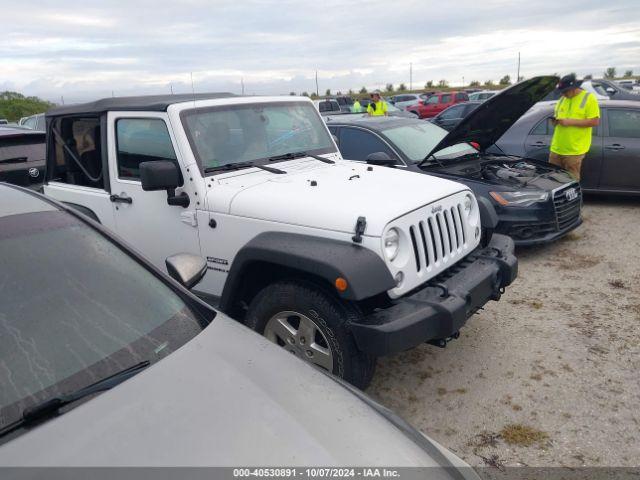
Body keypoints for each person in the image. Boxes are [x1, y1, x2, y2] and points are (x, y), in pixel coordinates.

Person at [549, 74, 600, 181]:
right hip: (556, 148)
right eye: (562, 92)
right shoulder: (562, 100)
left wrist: (570, 122)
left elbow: (595, 121)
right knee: (553, 180)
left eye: (565, 91)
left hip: (574, 151)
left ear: (574, 88)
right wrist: (555, 122)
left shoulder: (589, 98)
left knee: (571, 182)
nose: (563, 94)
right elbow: (559, 119)